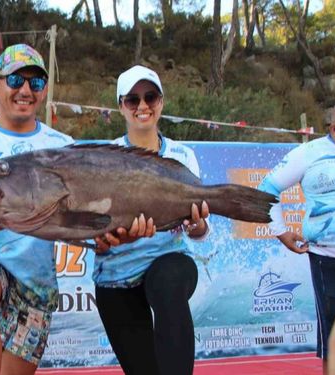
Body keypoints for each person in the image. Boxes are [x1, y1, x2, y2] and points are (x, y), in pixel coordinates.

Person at [0, 44, 152, 375]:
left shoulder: (62, 146)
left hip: (36, 281)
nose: (25, 90)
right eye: (15, 80)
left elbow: (82, 220)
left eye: (36, 82)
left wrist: (109, 236)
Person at [92, 65, 210, 375]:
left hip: (171, 260)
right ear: (121, 106)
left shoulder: (183, 155)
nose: (142, 106)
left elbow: (197, 229)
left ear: (161, 102)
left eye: (150, 97)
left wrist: (198, 226)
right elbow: (94, 234)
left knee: (167, 281)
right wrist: (107, 240)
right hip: (115, 277)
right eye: (133, 99)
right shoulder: (104, 157)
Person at [258, 97, 335, 374]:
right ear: (334, 128)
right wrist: (280, 231)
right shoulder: (309, 153)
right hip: (331, 261)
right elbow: (266, 190)